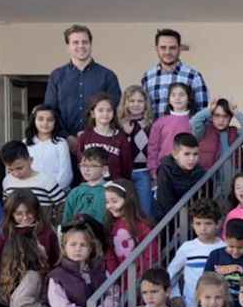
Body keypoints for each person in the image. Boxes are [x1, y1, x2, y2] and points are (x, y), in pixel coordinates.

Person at [44, 25, 121, 137]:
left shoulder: (107, 76)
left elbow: (115, 109)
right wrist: (66, 137)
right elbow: (50, 112)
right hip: (63, 142)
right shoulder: (56, 76)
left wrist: (92, 135)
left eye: (85, 42)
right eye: (75, 42)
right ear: (68, 47)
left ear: (91, 45)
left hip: (99, 141)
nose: (81, 46)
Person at [168, 198, 226, 307]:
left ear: (218, 223)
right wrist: (175, 295)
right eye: (198, 223)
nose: (203, 228)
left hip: (218, 306)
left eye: (208, 223)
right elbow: (171, 271)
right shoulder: (187, 247)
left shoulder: (224, 248)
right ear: (192, 224)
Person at [141, 27, 209, 113]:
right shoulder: (147, 77)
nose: (167, 52)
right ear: (156, 49)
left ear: (179, 49)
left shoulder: (193, 76)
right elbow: (143, 110)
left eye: (172, 48)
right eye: (163, 47)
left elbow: (203, 110)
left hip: (186, 122)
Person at [75, 93, 135, 182]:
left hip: (114, 186)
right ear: (92, 114)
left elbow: (126, 167)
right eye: (100, 110)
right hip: (90, 186)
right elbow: (81, 164)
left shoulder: (121, 138)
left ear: (114, 113)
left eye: (109, 110)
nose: (105, 114)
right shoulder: (84, 138)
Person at [0, 140, 67, 221]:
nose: (16, 173)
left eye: (19, 168)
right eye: (10, 170)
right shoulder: (7, 181)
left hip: (43, 227)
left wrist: (56, 226)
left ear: (30, 160)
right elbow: (7, 208)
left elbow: (63, 208)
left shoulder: (47, 181)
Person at [118, 86, 157, 217]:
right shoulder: (119, 124)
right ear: (125, 102)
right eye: (132, 101)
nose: (136, 104)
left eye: (140, 101)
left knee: (145, 210)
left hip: (143, 172)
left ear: (146, 103)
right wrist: (126, 134)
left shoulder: (150, 124)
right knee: (125, 211)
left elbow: (154, 148)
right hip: (123, 173)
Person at [154, 133, 206, 221]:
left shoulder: (199, 171)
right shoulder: (165, 171)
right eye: (187, 154)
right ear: (175, 154)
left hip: (192, 220)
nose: (192, 159)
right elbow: (166, 203)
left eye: (195, 154)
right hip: (168, 221)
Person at [25, 104, 75, 195]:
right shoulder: (25, 143)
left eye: (50, 120)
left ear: (55, 122)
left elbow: (66, 174)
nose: (45, 123)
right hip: (32, 194)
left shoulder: (61, 143)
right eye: (40, 119)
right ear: (34, 120)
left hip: (58, 194)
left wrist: (52, 191)